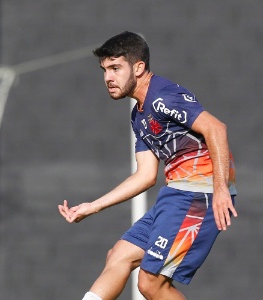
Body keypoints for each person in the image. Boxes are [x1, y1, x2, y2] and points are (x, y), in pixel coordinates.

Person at [58, 31, 238, 300]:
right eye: (105, 69)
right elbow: (145, 175)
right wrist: (92, 206)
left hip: (199, 196)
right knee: (118, 255)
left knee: (150, 283)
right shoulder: (138, 114)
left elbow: (216, 129)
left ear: (139, 68)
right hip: (176, 194)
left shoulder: (163, 96)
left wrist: (221, 189)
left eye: (115, 68)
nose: (108, 77)